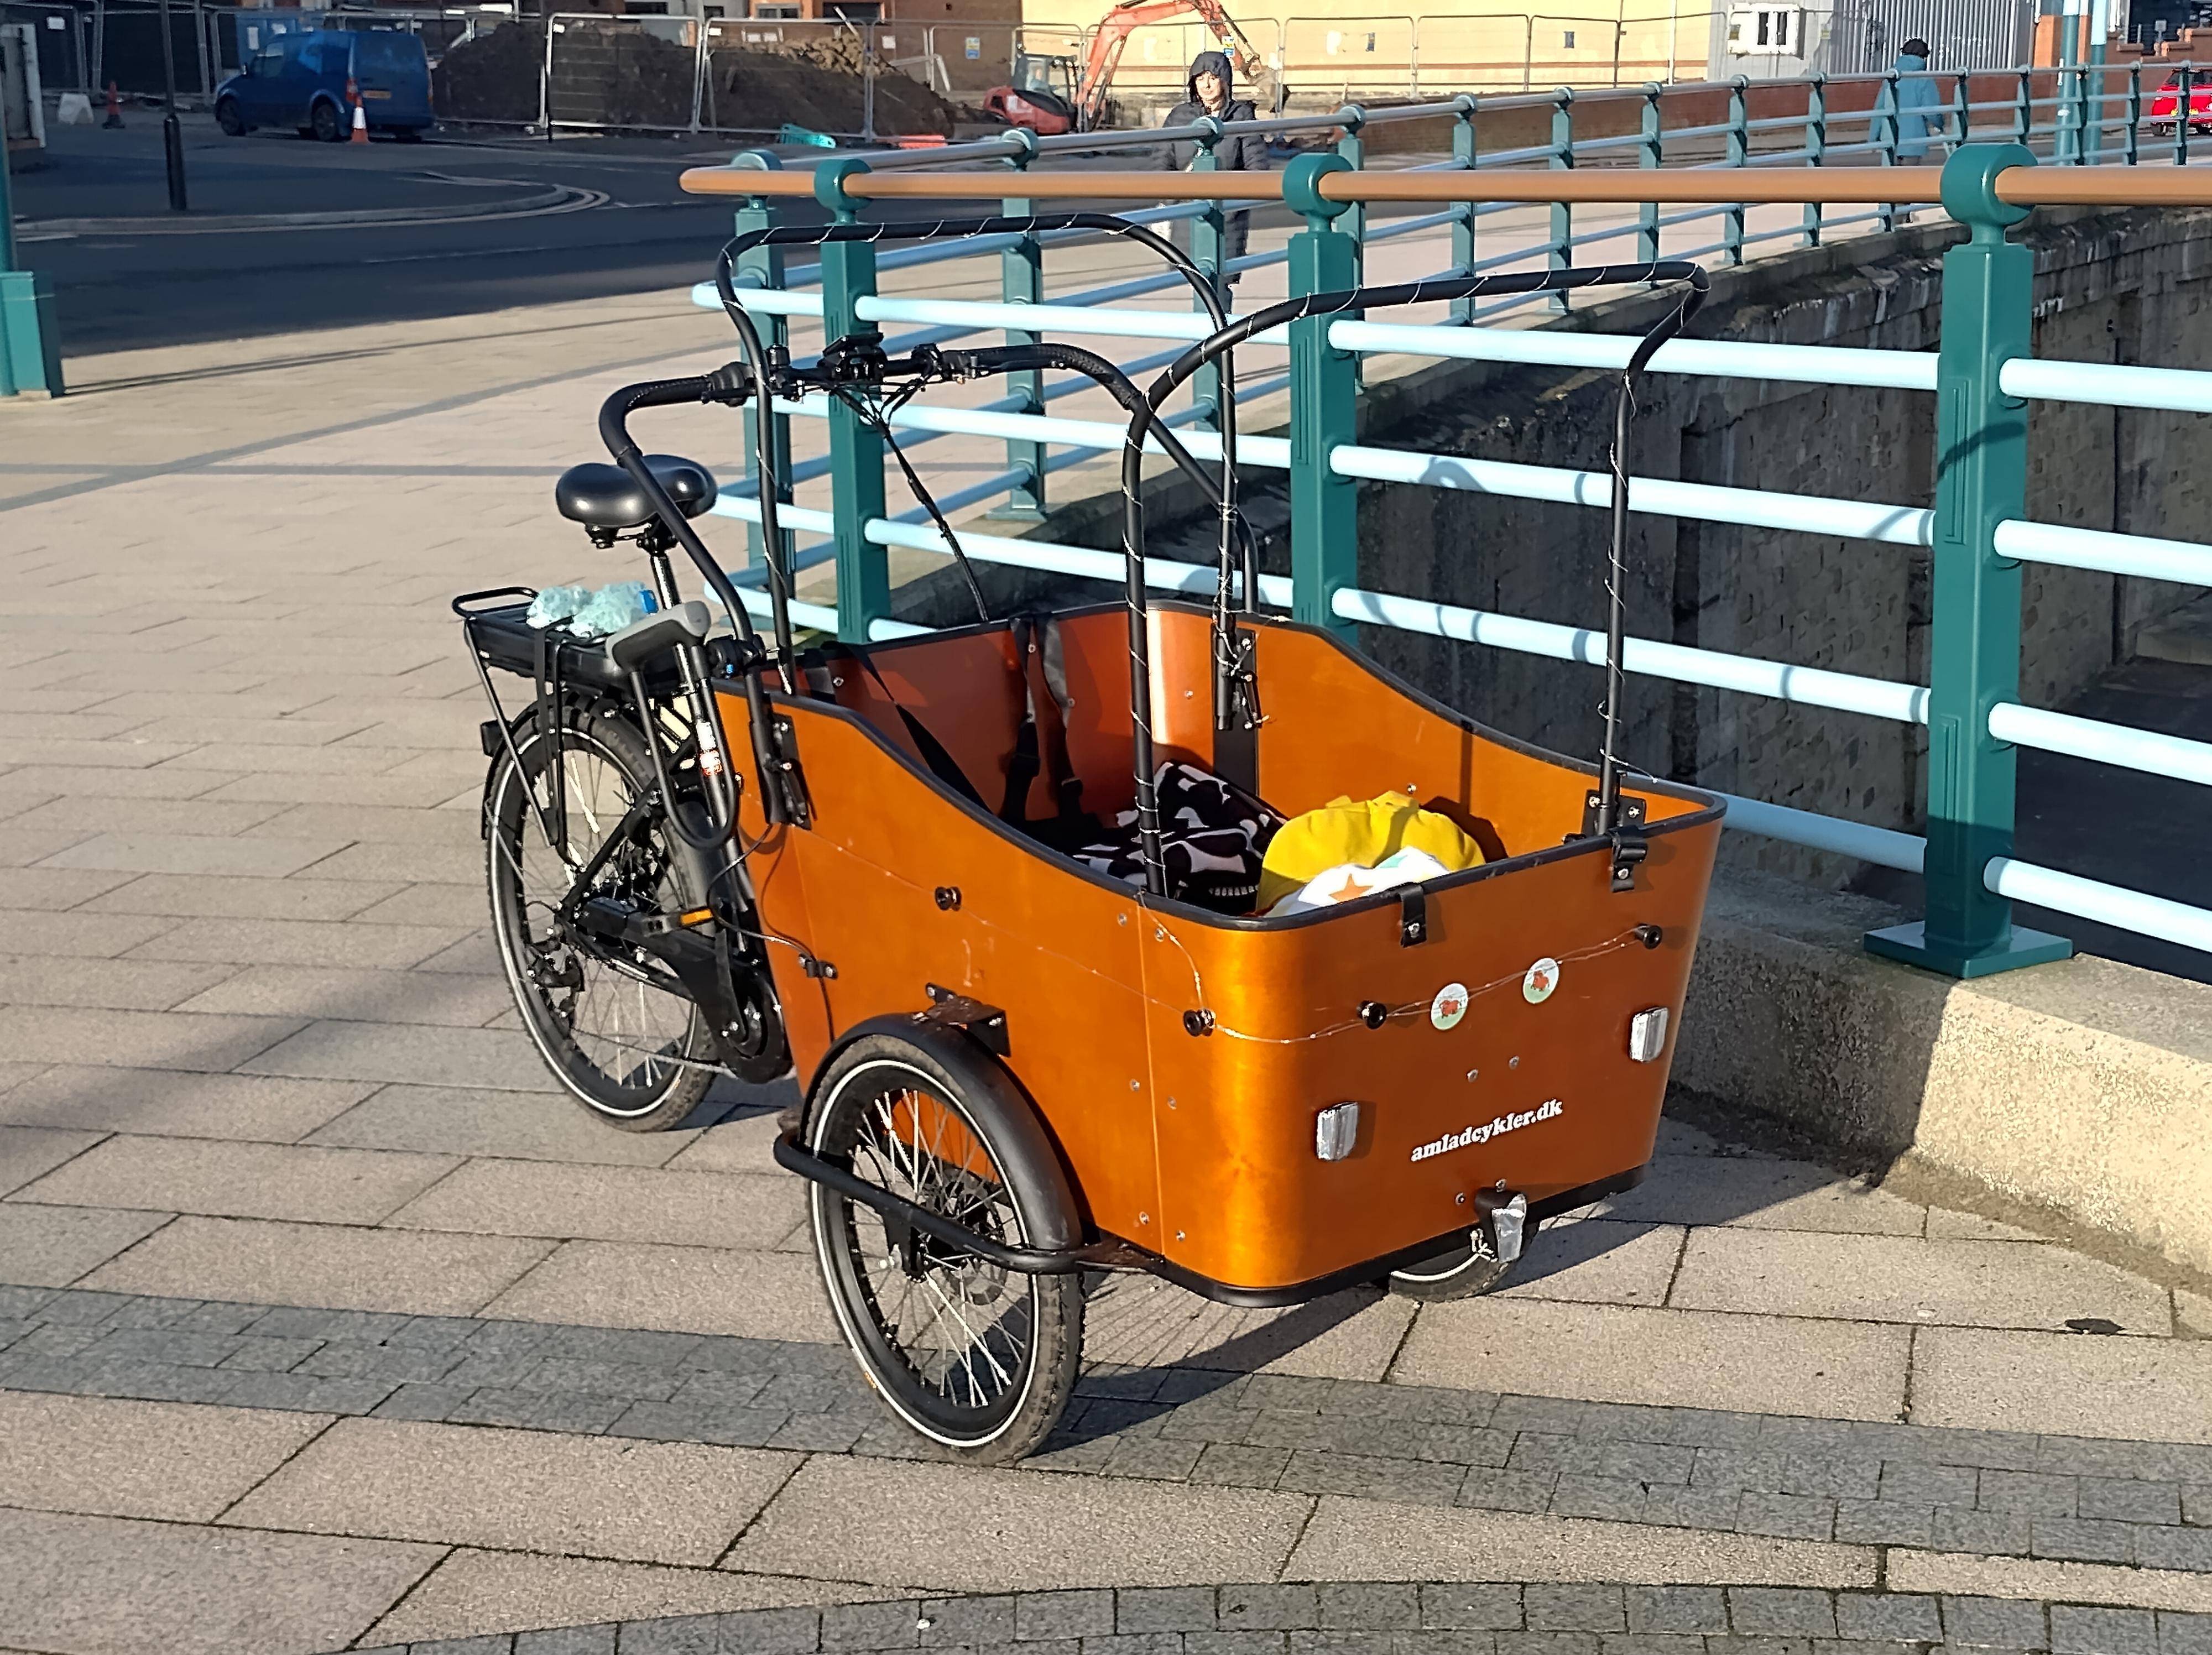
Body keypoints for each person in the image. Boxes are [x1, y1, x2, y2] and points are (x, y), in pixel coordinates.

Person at [1158, 50, 1270, 283]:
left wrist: (1233, 205)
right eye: (1200, 79)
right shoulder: (1179, 117)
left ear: (1225, 80)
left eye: (1212, 77)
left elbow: (1257, 168)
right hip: (1185, 215)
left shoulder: (1241, 117)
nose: (1206, 85)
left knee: (1220, 286)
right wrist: (1172, 204)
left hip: (1226, 218)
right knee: (1188, 282)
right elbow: (1161, 162)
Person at [1894, 39, 1947, 162]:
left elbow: (1881, 106)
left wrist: (1874, 137)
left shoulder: (1891, 76)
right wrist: (1939, 124)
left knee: (1891, 178)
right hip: (1913, 141)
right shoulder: (1924, 79)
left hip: (1890, 139)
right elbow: (1932, 110)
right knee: (1910, 178)